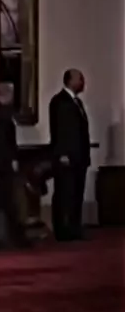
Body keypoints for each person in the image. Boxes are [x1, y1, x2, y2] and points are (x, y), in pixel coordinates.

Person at [49, 69, 90, 241]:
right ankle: (62, 229)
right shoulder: (59, 101)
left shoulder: (77, 102)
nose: (83, 82)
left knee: (77, 194)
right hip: (67, 157)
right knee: (64, 193)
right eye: (80, 79)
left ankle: (74, 227)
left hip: (79, 157)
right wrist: (62, 153)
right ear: (70, 80)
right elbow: (60, 130)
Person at [0, 80, 31, 248]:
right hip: (2, 162)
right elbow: (3, 139)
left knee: (8, 200)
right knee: (10, 200)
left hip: (1, 161)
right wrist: (11, 159)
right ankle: (13, 237)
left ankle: (10, 236)